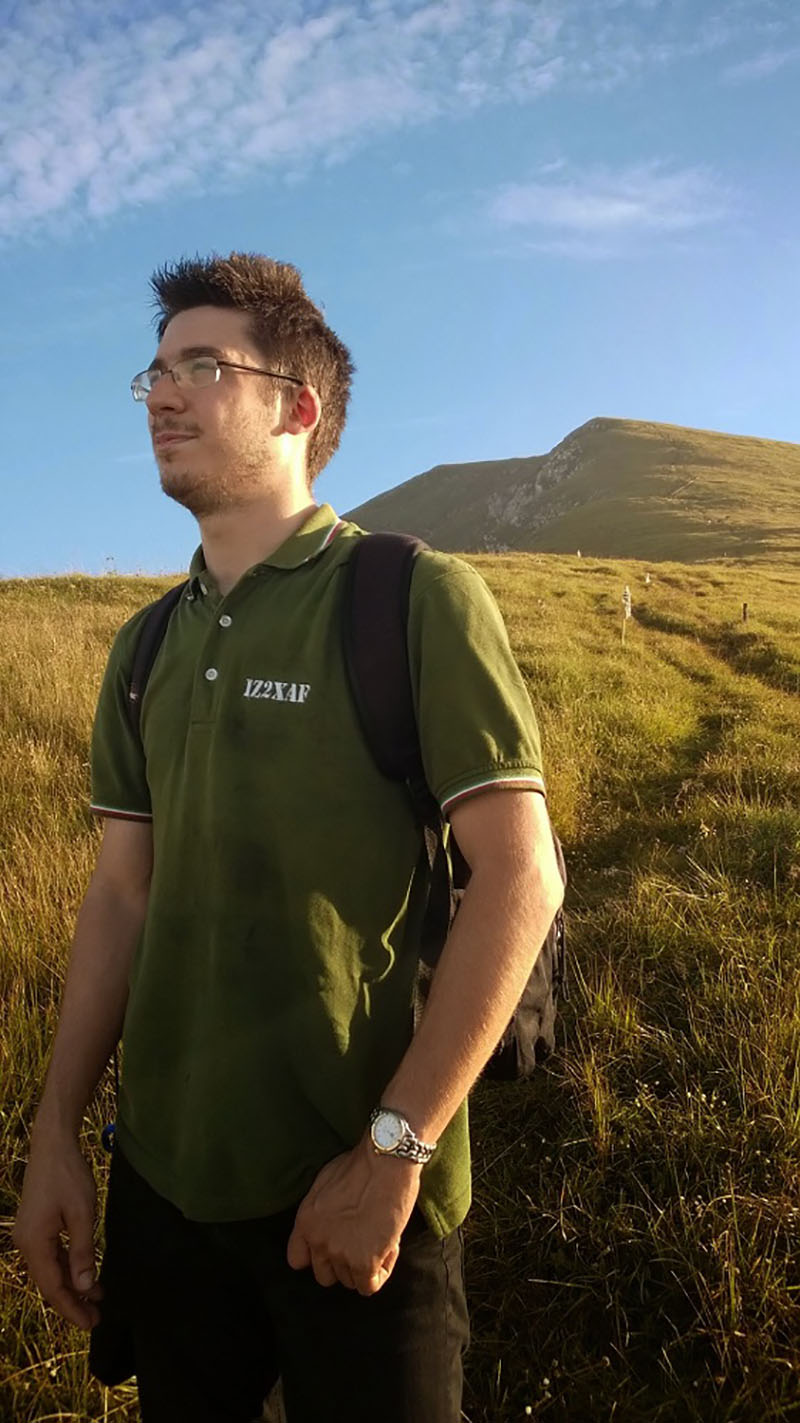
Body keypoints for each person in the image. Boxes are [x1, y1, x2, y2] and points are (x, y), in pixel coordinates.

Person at [14, 252, 564, 1423]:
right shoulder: (143, 646)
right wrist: (56, 1131)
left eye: (202, 366)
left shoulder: (410, 596)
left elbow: (520, 877)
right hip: (164, 1182)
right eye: (155, 371)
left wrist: (392, 1153)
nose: (162, 393)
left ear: (297, 409)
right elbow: (120, 895)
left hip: (360, 1183)